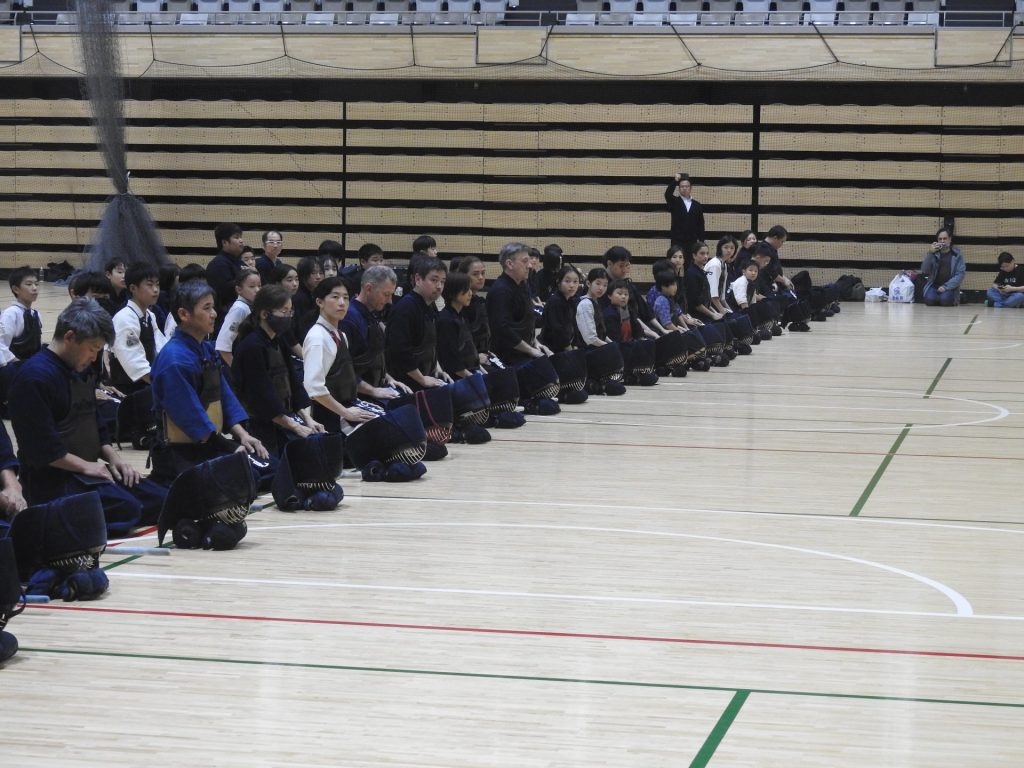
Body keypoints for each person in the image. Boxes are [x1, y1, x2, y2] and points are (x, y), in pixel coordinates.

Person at [8, 299, 167, 535]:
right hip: (52, 480)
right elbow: (41, 450)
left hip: (87, 472)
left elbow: (95, 423)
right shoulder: (34, 378)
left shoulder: (81, 367)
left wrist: (115, 460)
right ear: (70, 337)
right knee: (127, 507)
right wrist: (87, 467)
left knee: (160, 497)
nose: (95, 357)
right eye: (93, 348)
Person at [149, 281, 271, 485]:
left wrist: (243, 436)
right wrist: (229, 446)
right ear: (184, 314)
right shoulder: (174, 361)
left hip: (209, 445)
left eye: (213, 307)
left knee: (271, 467)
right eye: (206, 308)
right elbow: (189, 416)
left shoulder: (205, 348)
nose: (214, 314)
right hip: (181, 455)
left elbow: (223, 396)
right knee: (250, 477)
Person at [232, 285, 323, 456]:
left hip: (282, 418)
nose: (288, 317)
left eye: (290, 311)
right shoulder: (251, 346)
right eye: (284, 311)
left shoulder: (279, 340)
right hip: (258, 425)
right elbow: (262, 395)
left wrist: (307, 419)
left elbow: (293, 381)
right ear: (265, 314)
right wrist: (295, 426)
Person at [302, 277, 378, 434]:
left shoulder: (340, 335)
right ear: (320, 302)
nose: (342, 303)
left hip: (347, 408)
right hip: (329, 417)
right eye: (335, 297)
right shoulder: (317, 338)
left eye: (346, 298)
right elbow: (314, 389)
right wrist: (346, 413)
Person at [341, 265, 409, 401]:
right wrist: (373, 391)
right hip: (356, 396)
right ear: (368, 289)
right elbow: (343, 371)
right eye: (386, 294)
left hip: (377, 387)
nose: (390, 301)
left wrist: (389, 379)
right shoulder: (349, 319)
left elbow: (374, 359)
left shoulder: (371, 313)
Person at [385, 256, 452, 391]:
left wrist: (438, 369)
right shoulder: (406, 308)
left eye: (442, 281)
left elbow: (430, 346)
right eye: (434, 280)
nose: (439, 286)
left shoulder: (429, 305)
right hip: (407, 384)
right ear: (418, 279)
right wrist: (422, 379)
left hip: (426, 376)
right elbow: (400, 352)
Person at [110, 263, 169, 394]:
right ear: (133, 288)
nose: (156, 290)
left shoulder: (149, 315)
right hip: (127, 391)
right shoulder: (124, 318)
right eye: (150, 284)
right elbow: (135, 363)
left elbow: (162, 347)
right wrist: (166, 384)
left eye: (157, 284)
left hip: (147, 384)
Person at [0, 267, 42, 399]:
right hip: (12, 370)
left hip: (29, 366)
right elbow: (1, 345)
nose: (34, 288)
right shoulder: (11, 314)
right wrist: (19, 363)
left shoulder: (36, 314)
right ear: (16, 289)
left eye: (36, 284)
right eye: (29, 284)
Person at [214, 269, 261, 366]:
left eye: (259, 286)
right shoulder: (240, 309)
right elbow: (223, 344)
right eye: (252, 286)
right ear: (239, 290)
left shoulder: (251, 306)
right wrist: (235, 370)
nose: (257, 290)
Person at [206, 223, 247, 316]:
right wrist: (246, 277)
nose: (241, 240)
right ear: (225, 242)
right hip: (225, 315)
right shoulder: (218, 264)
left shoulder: (239, 261)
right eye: (236, 237)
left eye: (241, 237)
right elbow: (227, 292)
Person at [920, 228, 966, 307]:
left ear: (950, 239)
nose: (942, 241)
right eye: (940, 239)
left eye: (945, 239)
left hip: (949, 287)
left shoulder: (957, 255)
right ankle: (937, 298)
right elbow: (925, 270)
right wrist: (930, 253)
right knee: (929, 300)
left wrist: (945, 287)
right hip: (934, 286)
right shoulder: (933, 254)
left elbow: (960, 275)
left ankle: (943, 298)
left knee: (945, 300)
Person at [664, 172, 705, 251]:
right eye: (682, 186)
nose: (684, 188)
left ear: (690, 188)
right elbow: (667, 194)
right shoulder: (675, 202)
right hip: (677, 242)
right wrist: (675, 181)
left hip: (693, 242)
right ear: (679, 188)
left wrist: (701, 242)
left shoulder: (697, 205)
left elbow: (701, 225)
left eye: (687, 186)